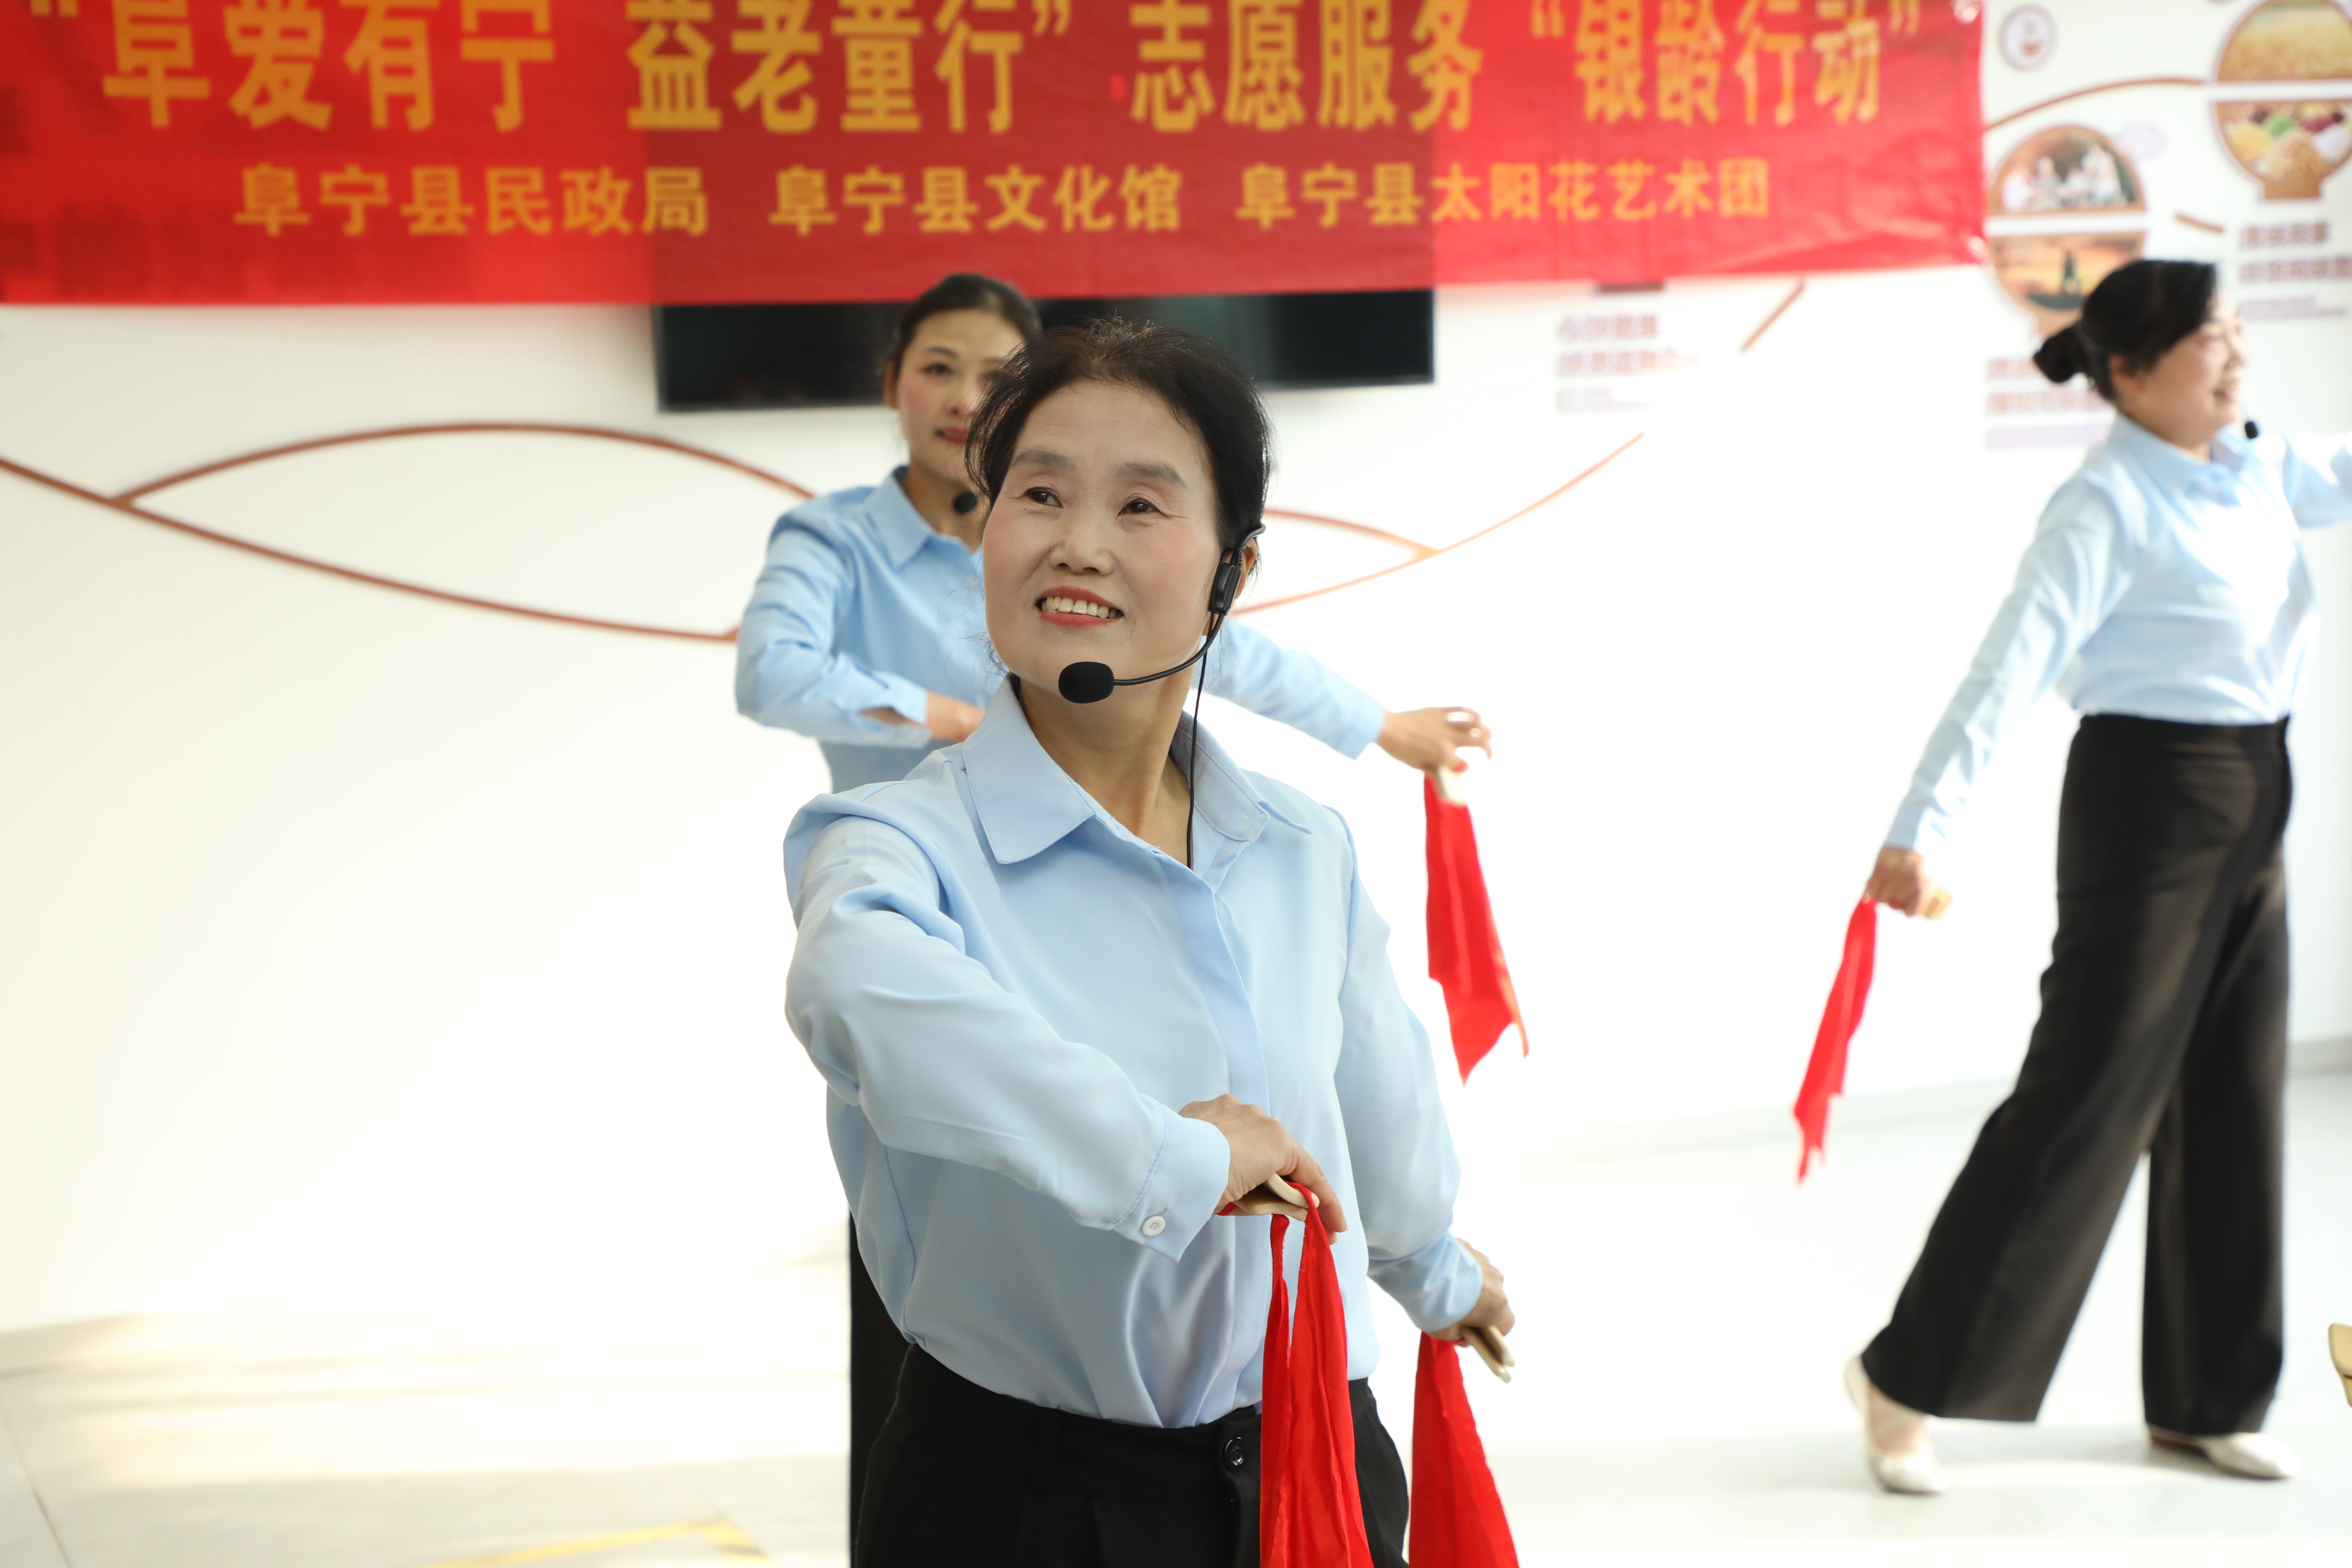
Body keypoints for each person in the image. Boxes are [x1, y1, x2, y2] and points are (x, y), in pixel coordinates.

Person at [733, 272, 1497, 1533]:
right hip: (1030, 1499)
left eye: (1141, 504)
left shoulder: (1303, 845)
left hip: (1315, 1463)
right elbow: (855, 993)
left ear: (1231, 573)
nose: (1079, 542)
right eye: (1038, 495)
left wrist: (1440, 1277)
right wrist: (1174, 1159)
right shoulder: (891, 845)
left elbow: (1379, 1106)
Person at [1846, 259, 2351, 1493]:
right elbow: (2007, 669)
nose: (2238, 354)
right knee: (2083, 1101)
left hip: (2255, 790)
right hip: (2149, 803)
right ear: (2129, 371)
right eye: (2211, 339)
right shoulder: (2105, 505)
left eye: (2237, 329)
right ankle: (1903, 1377)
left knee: (2234, 1096)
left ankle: (2208, 1396)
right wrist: (1922, 826)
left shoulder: (2256, 462)